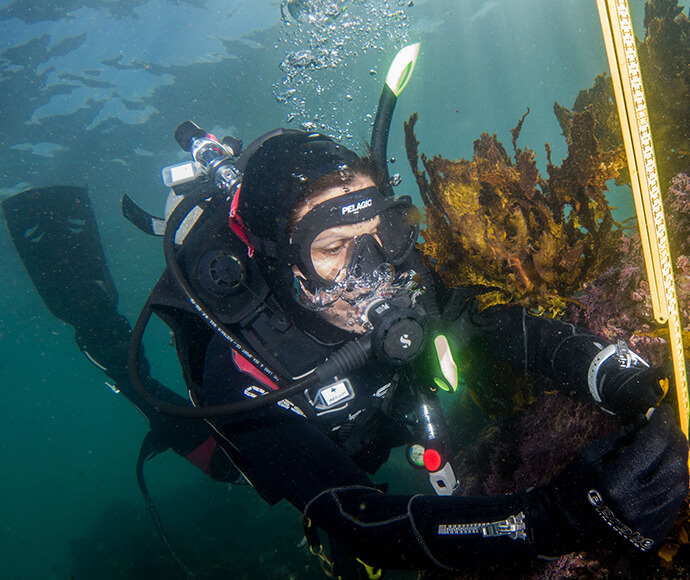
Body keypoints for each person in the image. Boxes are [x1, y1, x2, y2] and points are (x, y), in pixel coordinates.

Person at [4, 128, 688, 579]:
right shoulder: (241, 369)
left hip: (378, 409)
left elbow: (488, 322)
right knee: (191, 438)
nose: (373, 271)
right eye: (333, 250)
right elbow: (358, 518)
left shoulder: (399, 273)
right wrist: (549, 518)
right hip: (261, 439)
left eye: (379, 234)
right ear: (279, 263)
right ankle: (94, 326)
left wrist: (604, 369)